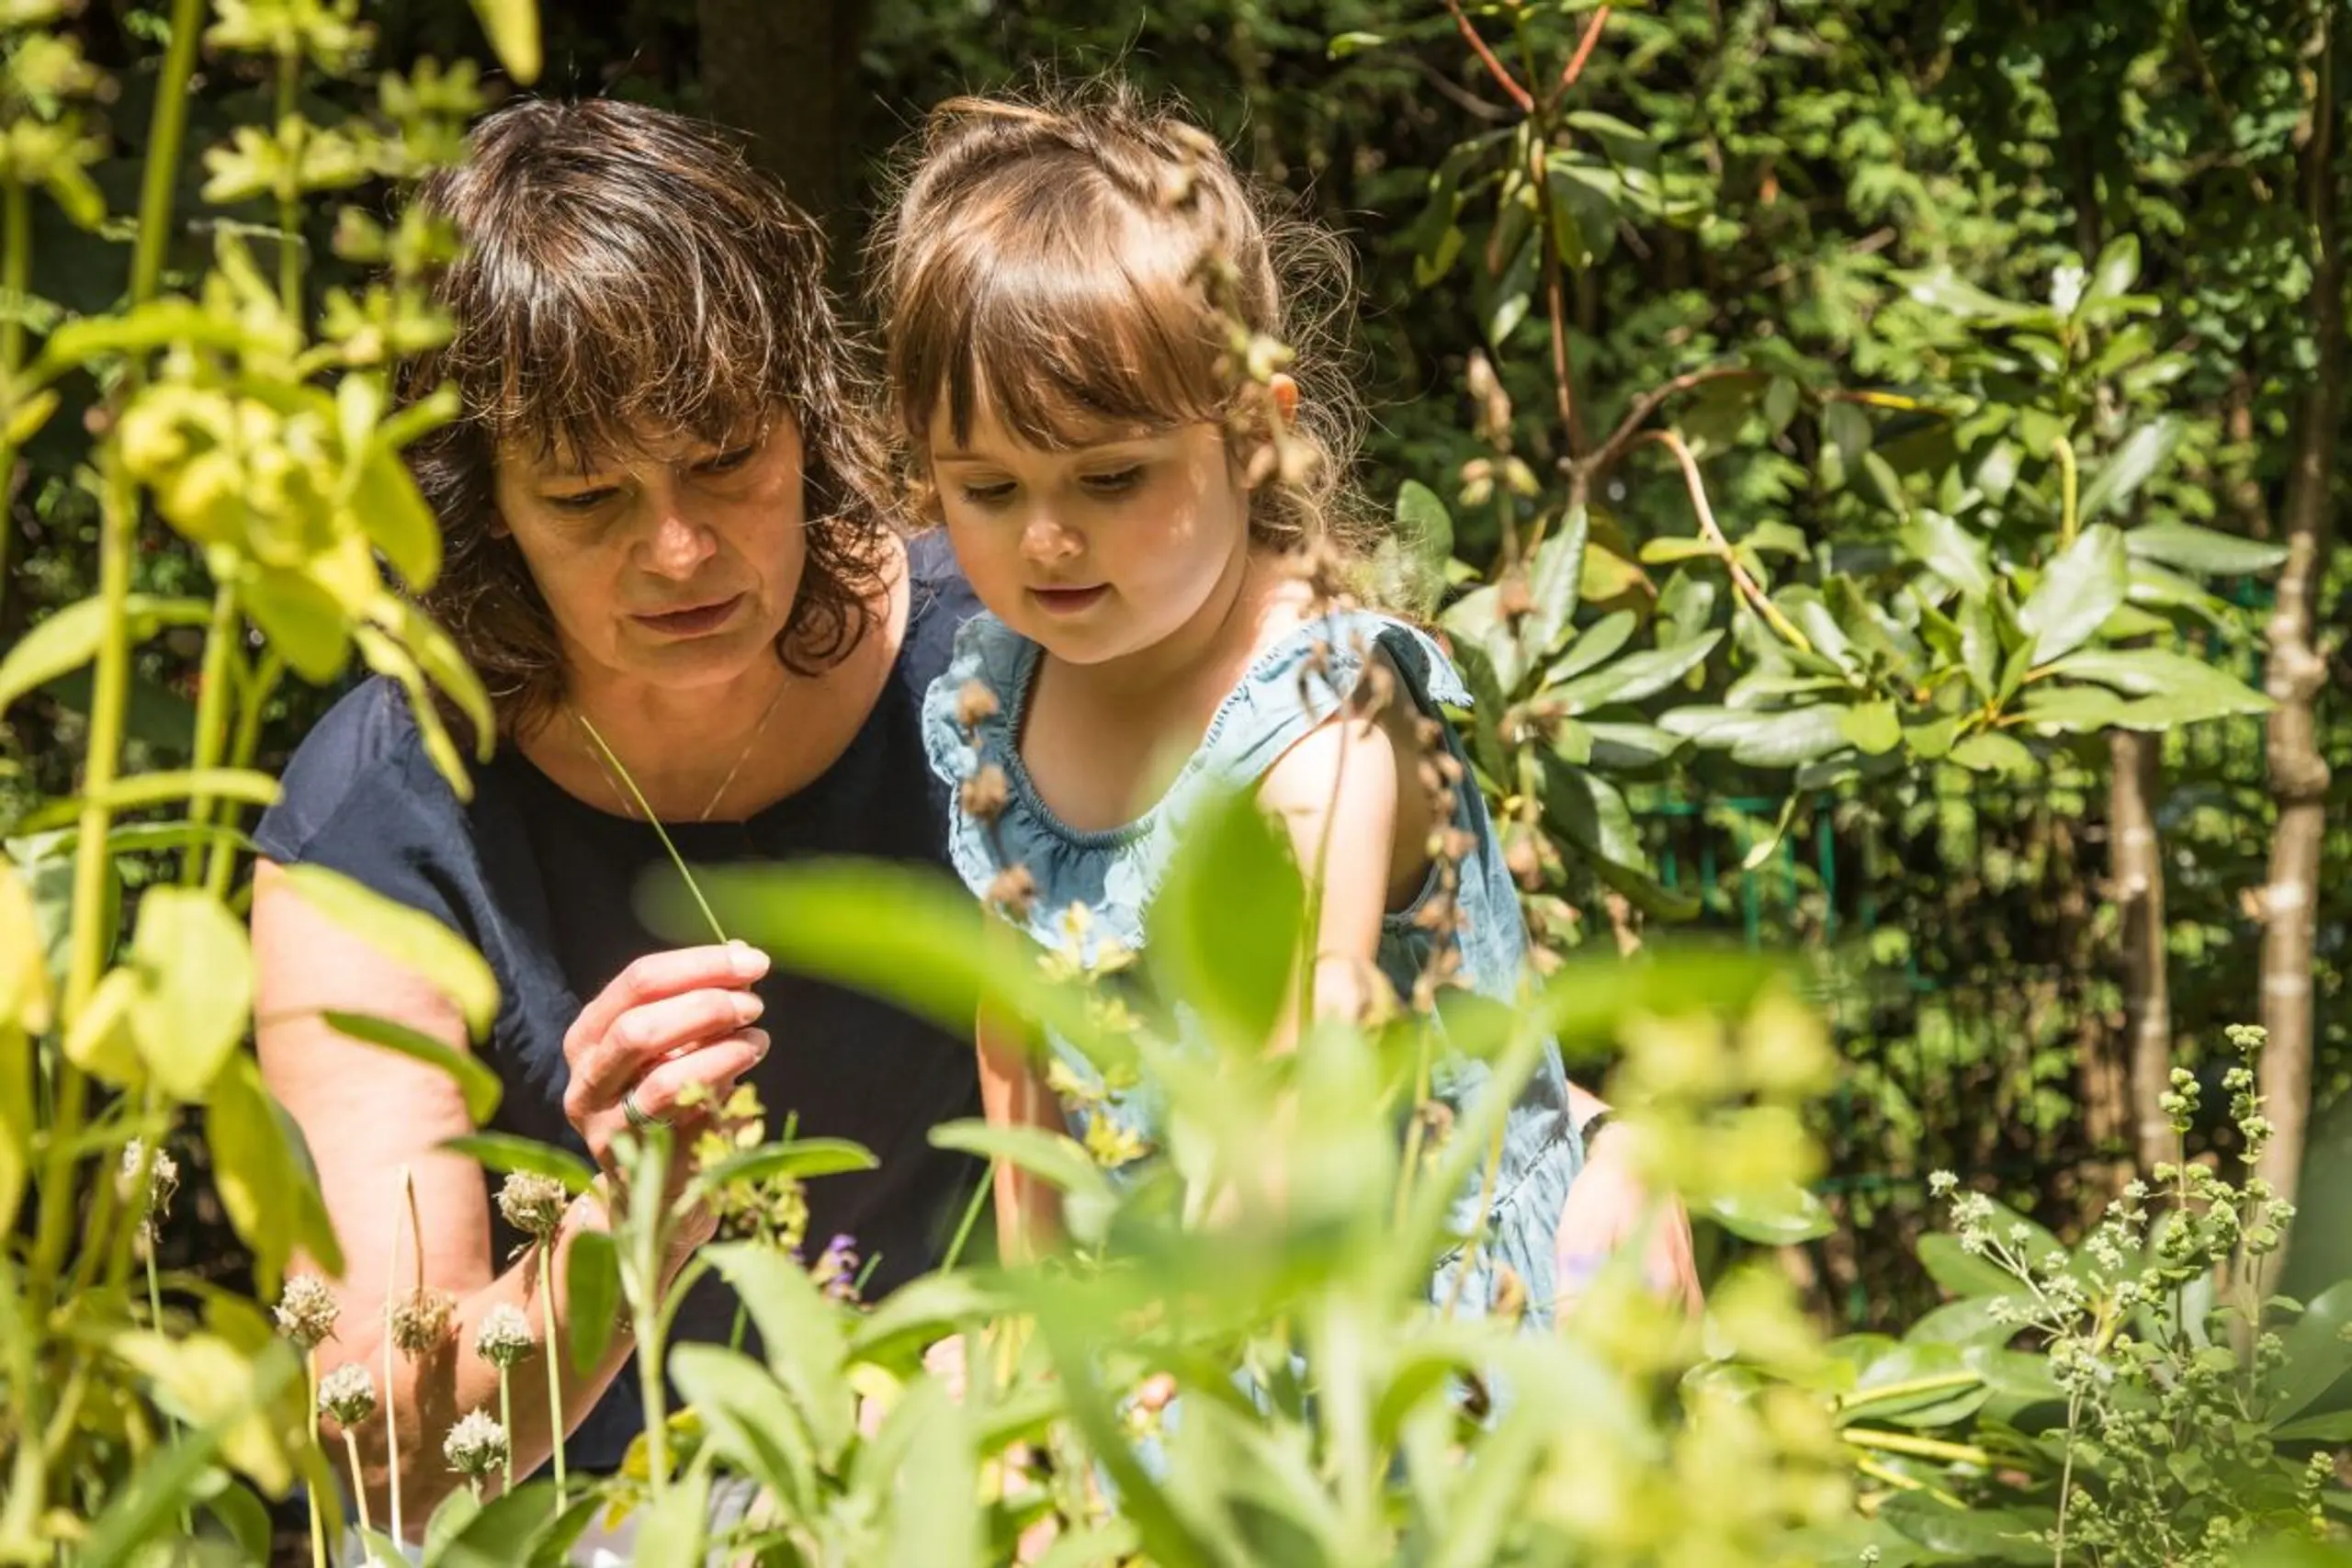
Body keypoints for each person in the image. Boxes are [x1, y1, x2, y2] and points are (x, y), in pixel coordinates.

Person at [249, 98, 986, 1540]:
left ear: (808, 416)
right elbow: (386, 1459)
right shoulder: (376, 824)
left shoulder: (1005, 670)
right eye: (588, 496)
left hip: (987, 1470)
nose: (680, 547)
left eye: (725, 457)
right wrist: (634, 1213)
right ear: (485, 509)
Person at [876, 86, 1701, 1330]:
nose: (1046, 536)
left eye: (1110, 476)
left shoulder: (1321, 716)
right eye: (987, 486)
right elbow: (1019, 1035)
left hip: (1432, 1314)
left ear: (1254, 439)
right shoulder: (1001, 693)